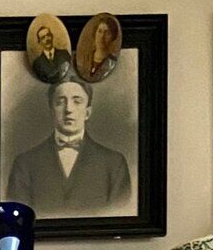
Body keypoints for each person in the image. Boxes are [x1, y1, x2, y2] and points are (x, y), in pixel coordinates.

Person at [7, 75, 131, 215]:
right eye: (60, 102)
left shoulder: (114, 163)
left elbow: (121, 216)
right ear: (51, 110)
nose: (68, 109)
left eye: (77, 101)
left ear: (87, 112)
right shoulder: (24, 164)